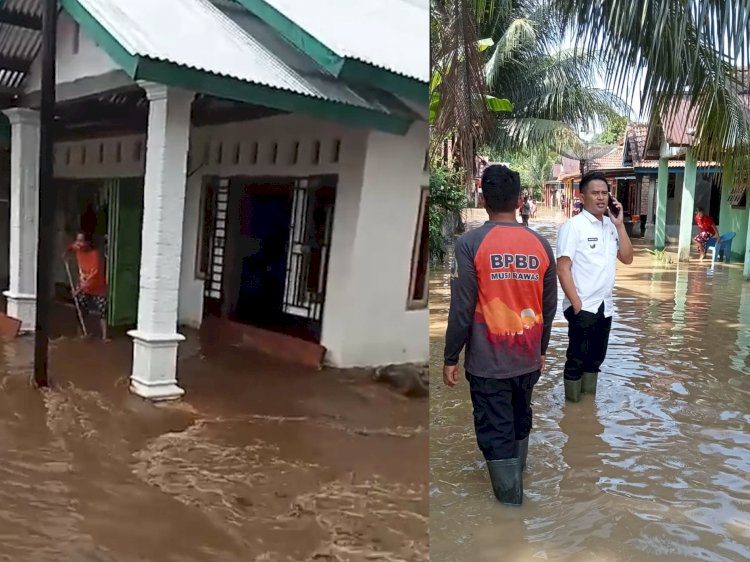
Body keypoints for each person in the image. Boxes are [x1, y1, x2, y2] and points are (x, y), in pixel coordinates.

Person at [442, 165, 557, 506]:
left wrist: (450, 356)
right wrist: (541, 350)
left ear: (483, 198)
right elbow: (547, 308)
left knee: (496, 433)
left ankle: (511, 512)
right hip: (528, 359)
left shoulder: (470, 244)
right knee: (520, 422)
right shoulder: (540, 244)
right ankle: (517, 491)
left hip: (488, 365)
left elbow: (461, 309)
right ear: (519, 199)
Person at [556, 171, 633, 402]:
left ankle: (587, 409)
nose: (601, 198)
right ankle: (572, 409)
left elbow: (628, 258)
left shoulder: (611, 226)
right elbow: (563, 268)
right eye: (595, 193)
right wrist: (577, 305)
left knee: (595, 360)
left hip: (605, 307)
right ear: (582, 197)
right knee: (576, 360)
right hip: (582, 307)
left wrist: (620, 225)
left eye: (604, 193)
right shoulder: (574, 226)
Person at [65, 231, 109, 341]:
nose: (78, 244)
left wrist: (78, 290)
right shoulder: (78, 248)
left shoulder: (94, 255)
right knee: (80, 310)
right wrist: (66, 255)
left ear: (87, 243)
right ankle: (82, 333)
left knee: (102, 312)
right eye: (77, 240)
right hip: (84, 286)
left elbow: (93, 277)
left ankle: (104, 337)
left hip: (97, 287)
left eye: (81, 241)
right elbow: (71, 248)